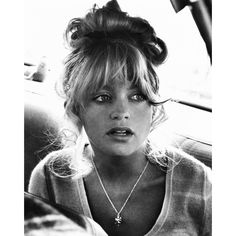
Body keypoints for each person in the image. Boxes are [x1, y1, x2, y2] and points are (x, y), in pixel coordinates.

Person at [28, 0, 212, 235]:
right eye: (103, 97)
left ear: (153, 105)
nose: (122, 112)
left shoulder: (199, 184)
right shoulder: (50, 177)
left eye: (137, 96)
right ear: (77, 106)